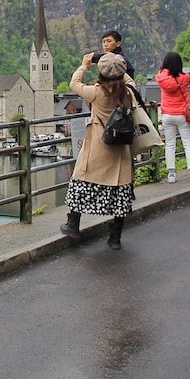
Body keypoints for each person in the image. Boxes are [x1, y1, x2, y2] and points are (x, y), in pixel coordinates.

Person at [60, 52, 136, 250]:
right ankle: (115, 237)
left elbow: (74, 83)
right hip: (121, 149)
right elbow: (128, 80)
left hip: (98, 146)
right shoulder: (129, 92)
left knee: (81, 182)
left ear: (102, 73)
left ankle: (73, 225)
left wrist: (85, 65)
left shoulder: (96, 92)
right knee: (120, 192)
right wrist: (119, 66)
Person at [156, 51, 190, 184]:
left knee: (170, 145)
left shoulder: (161, 77)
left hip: (167, 115)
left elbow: (161, 74)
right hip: (182, 114)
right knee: (188, 144)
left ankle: (171, 174)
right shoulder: (185, 78)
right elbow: (187, 78)